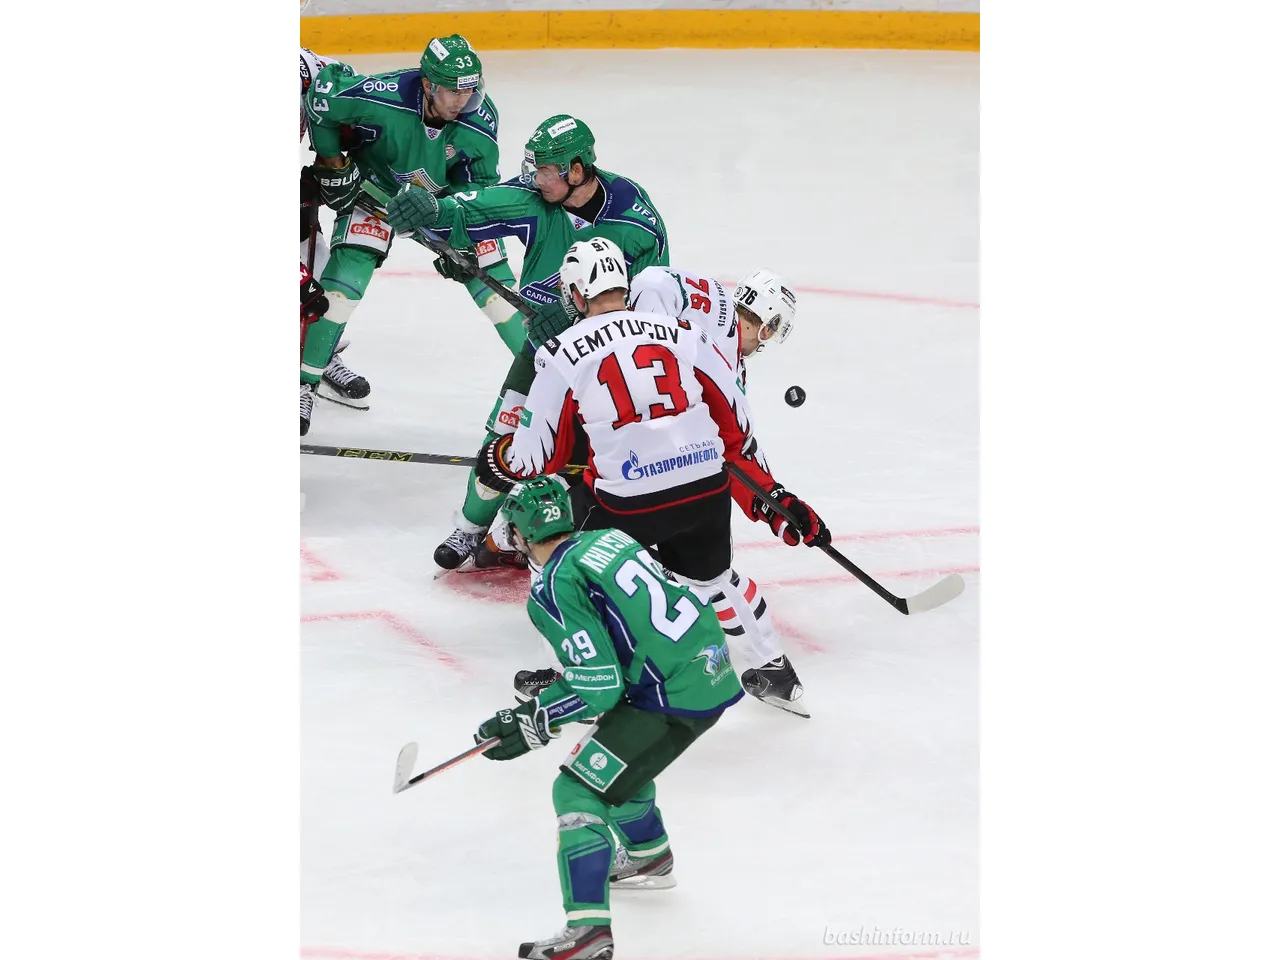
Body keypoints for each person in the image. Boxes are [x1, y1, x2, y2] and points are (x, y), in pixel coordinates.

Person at [474, 237, 829, 717]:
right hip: (707, 491)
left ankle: (575, 678)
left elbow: (534, 457)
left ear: (576, 294)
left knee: (556, 558)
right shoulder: (685, 332)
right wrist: (773, 498)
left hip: (630, 503)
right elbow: (734, 428)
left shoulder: (560, 351)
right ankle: (776, 673)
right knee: (715, 578)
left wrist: (497, 458)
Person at [384, 114, 671, 571]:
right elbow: (475, 209)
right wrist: (435, 213)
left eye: (545, 171)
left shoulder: (634, 220)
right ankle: (469, 528)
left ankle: (603, 535)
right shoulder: (537, 197)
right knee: (504, 435)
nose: (535, 179)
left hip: (609, 359)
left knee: (606, 450)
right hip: (543, 350)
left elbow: (655, 301)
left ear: (576, 170)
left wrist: (576, 315)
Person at [473, 476, 742, 960]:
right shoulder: (609, 538)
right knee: (613, 756)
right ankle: (648, 856)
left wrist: (535, 718)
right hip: (708, 664)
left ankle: (588, 931)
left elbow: (598, 685)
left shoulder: (554, 585)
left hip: (672, 692)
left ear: (521, 533)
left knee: (577, 790)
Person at [301, 34, 515, 434]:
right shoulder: (385, 95)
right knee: (346, 284)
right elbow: (323, 96)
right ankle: (304, 382)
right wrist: (333, 164)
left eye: (470, 90)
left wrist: (461, 230)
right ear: (428, 84)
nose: (464, 100)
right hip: (374, 193)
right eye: (454, 91)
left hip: (440, 206)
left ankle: (554, 383)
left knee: (498, 291)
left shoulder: (480, 122)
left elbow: (481, 189)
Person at [300, 47, 369, 428]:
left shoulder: (311, 69)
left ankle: (320, 355)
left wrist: (331, 165)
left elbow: (348, 99)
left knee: (324, 276)